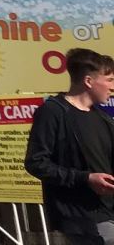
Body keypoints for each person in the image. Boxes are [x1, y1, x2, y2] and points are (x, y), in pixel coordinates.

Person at [25, 47, 114, 245]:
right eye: (109, 80)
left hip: (108, 211)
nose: (112, 87)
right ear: (89, 81)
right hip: (81, 217)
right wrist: (86, 178)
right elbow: (36, 162)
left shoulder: (103, 119)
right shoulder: (53, 112)